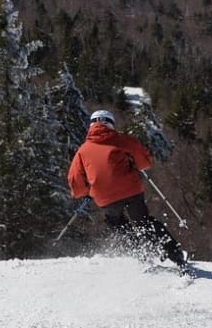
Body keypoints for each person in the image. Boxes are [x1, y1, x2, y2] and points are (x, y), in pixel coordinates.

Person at [67, 109, 188, 269]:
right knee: (143, 221)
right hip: (130, 190)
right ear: (110, 124)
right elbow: (144, 162)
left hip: (104, 196)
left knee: (116, 223)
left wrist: (87, 191)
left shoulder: (82, 151)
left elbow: (75, 183)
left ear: (91, 125)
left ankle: (140, 252)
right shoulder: (122, 140)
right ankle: (174, 254)